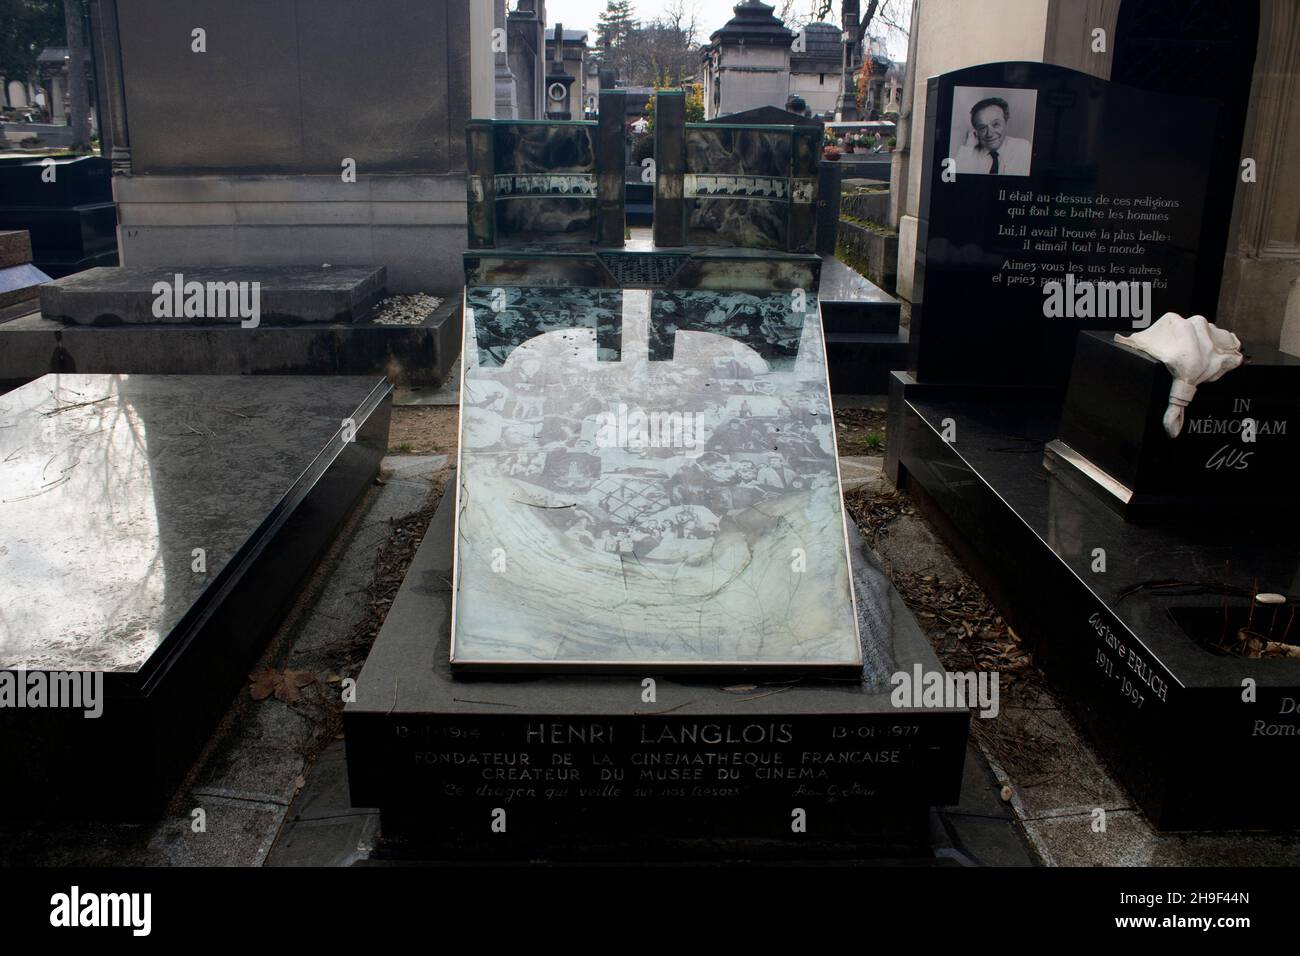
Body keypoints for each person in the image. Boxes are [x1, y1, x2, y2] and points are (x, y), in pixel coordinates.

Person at [956, 96, 1031, 176]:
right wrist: (967, 148)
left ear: (1006, 124)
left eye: (995, 124)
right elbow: (955, 182)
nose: (989, 134)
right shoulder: (970, 153)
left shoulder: (1022, 147)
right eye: (982, 127)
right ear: (976, 132)